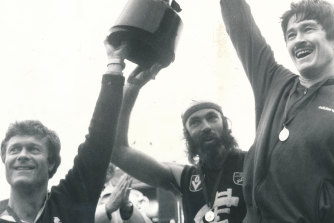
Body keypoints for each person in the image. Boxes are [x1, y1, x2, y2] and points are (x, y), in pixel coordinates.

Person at [0, 37, 154, 223]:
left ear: (51, 163)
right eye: (14, 149)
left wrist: (115, 64)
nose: (22, 155)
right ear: (5, 161)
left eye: (33, 149)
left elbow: (98, 142)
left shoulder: (69, 204)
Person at [220, 0, 334, 222]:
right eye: (290, 35)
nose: (298, 39)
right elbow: (241, 28)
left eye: (308, 29)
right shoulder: (274, 81)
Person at [111, 66, 247, 222]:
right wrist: (133, 86)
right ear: (187, 135)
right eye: (195, 122)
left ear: (225, 124)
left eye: (212, 117)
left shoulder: (251, 162)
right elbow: (116, 150)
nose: (206, 127)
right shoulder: (183, 177)